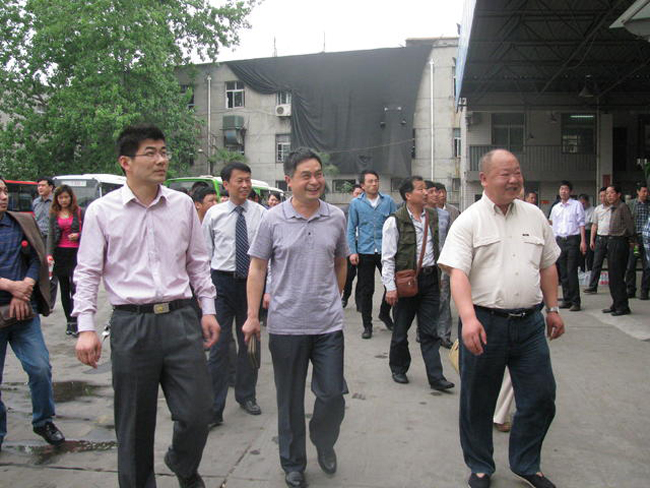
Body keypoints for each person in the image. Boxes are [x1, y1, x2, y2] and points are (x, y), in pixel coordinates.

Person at [73, 124, 220, 488]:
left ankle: (182, 463)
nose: (161, 160)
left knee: (198, 412)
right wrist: (86, 328)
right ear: (126, 162)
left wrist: (208, 309)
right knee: (134, 426)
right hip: (132, 324)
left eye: (163, 152)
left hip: (181, 319)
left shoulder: (182, 205)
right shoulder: (102, 211)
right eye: (151, 153)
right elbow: (87, 272)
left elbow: (198, 262)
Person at [439, 149, 563, 488]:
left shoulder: (535, 216)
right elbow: (457, 274)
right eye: (505, 174)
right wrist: (468, 319)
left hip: (530, 325)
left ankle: (526, 463)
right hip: (485, 323)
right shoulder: (469, 221)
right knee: (477, 400)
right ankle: (480, 465)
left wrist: (553, 309)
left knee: (541, 397)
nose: (514, 180)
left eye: (517, 172)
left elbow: (548, 265)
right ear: (484, 179)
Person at [243, 147, 349, 488]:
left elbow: (341, 262)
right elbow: (257, 268)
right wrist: (252, 315)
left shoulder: (336, 217)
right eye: (306, 175)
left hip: (327, 324)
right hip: (286, 325)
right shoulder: (272, 219)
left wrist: (334, 296)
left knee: (332, 394)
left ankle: (324, 440)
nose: (315, 181)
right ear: (289, 180)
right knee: (289, 400)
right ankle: (293, 463)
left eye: (318, 174)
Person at [0, 177, 65, 452]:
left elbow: (36, 258)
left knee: (40, 368)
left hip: (24, 312)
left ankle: (43, 420)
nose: (3, 196)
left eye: (4, 190)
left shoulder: (20, 223)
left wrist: (25, 286)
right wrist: (10, 286)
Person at [202, 162, 266, 424]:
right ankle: (213, 408)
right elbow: (205, 255)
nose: (245, 185)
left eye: (248, 180)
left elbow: (268, 256)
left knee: (249, 342)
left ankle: (246, 395)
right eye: (239, 180)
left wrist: (269, 290)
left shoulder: (261, 214)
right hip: (221, 284)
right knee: (217, 347)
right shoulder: (214, 215)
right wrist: (204, 293)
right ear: (226, 184)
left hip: (251, 283)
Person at [382, 176, 454, 391]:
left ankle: (436, 377)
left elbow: (439, 247)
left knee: (429, 332)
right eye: (421, 189)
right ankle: (398, 368)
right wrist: (390, 287)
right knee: (401, 330)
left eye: (426, 189)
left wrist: (442, 276)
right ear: (408, 195)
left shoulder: (433, 216)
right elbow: (388, 257)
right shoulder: (395, 221)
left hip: (430, 281)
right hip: (407, 282)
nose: (426, 192)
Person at [347, 170, 397, 339]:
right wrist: (352, 252)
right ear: (363, 185)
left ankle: (384, 313)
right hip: (365, 251)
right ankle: (367, 325)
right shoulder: (356, 204)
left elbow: (395, 225)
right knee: (366, 290)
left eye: (376, 180)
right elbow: (350, 228)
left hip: (386, 251)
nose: (374, 184)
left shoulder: (388, 201)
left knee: (391, 285)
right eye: (370, 181)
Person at [46, 185, 84, 337]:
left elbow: (88, 230)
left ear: (71, 197)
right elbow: (50, 235)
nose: (63, 200)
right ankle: (69, 321)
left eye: (66, 197)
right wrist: (49, 254)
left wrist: (78, 235)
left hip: (75, 253)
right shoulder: (54, 213)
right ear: (57, 199)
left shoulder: (79, 212)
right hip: (60, 253)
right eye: (60, 197)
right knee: (64, 289)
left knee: (75, 288)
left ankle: (76, 320)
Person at [549, 180, 586, 311]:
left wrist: (583, 241)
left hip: (573, 240)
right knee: (563, 272)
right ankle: (567, 299)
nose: (563, 191)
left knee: (571, 271)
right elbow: (553, 226)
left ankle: (576, 301)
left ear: (570, 191)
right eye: (561, 189)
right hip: (560, 241)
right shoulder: (556, 208)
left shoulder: (576, 205)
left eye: (565, 189)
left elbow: (581, 223)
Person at [427, 181, 456, 349]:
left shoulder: (445, 215)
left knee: (444, 299)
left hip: (443, 263)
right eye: (432, 192)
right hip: (425, 264)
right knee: (427, 300)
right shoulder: (419, 214)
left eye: (437, 192)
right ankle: (425, 332)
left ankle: (444, 335)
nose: (436, 195)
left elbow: (452, 239)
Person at [602, 185, 636, 316]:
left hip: (620, 242)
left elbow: (630, 226)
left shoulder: (622, 207)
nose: (609, 196)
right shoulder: (613, 208)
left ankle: (622, 306)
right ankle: (616, 303)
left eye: (612, 193)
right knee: (612, 276)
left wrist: (632, 240)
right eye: (607, 193)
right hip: (612, 241)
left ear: (618, 194)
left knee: (617, 276)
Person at [32, 177, 57, 307]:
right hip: (37, 238)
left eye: (43, 185)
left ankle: (50, 303)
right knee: (38, 268)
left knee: (51, 271)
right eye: (38, 186)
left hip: (50, 239)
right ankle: (40, 299)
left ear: (50, 187)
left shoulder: (55, 202)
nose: (40, 188)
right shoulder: (36, 202)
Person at [625, 183, 650, 300]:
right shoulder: (631, 204)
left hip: (647, 240)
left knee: (647, 265)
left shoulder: (648, 205)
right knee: (631, 264)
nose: (646, 194)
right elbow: (627, 221)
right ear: (638, 192)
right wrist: (630, 237)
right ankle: (631, 289)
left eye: (647, 192)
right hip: (635, 240)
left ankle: (644, 290)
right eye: (643, 191)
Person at [584, 188, 610, 294]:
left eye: (605, 195)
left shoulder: (614, 208)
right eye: (601, 196)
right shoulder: (598, 209)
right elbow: (594, 225)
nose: (603, 198)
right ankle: (593, 286)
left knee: (613, 264)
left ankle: (615, 286)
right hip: (600, 238)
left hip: (611, 238)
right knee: (596, 264)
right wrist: (591, 240)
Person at [341, 184, 363, 309]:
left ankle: (360, 302)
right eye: (357, 194)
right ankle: (345, 297)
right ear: (352, 194)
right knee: (349, 275)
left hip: (363, 245)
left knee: (363, 276)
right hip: (349, 245)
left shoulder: (367, 209)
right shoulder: (344, 211)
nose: (359, 196)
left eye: (361, 194)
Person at [578, 194, 595, 274]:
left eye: (583, 203)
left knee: (589, 253)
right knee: (580, 253)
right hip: (579, 233)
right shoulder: (578, 210)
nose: (582, 205)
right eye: (580, 203)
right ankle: (581, 270)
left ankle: (590, 271)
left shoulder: (593, 210)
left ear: (588, 202)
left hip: (588, 232)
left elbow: (590, 223)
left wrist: (582, 223)